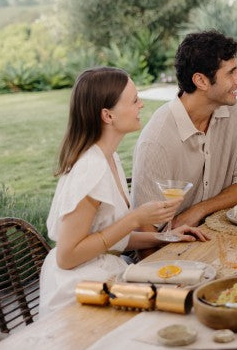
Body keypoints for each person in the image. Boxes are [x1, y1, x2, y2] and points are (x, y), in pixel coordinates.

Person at [40, 67, 208, 315]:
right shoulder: (90, 169)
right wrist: (136, 218)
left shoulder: (109, 158)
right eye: (134, 100)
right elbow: (67, 255)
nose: (141, 105)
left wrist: (164, 237)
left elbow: (105, 236)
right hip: (79, 292)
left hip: (103, 274)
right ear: (108, 115)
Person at [132, 31, 237, 230]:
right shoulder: (156, 141)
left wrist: (199, 210)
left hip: (216, 235)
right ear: (201, 81)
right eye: (231, 72)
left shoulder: (236, 112)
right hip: (165, 251)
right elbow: (146, 234)